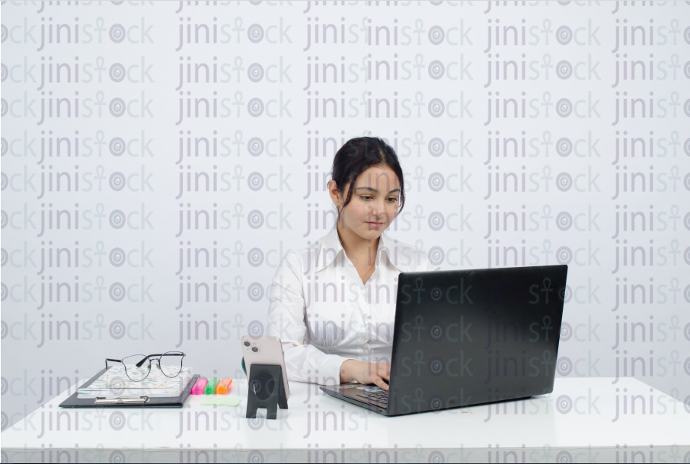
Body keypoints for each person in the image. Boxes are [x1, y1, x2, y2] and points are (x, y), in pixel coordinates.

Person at [266, 137, 440, 391]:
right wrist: (349, 368)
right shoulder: (299, 267)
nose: (380, 211)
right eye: (367, 197)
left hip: (401, 402)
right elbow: (280, 355)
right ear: (336, 193)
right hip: (326, 408)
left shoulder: (418, 266)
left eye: (391, 199)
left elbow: (442, 347)